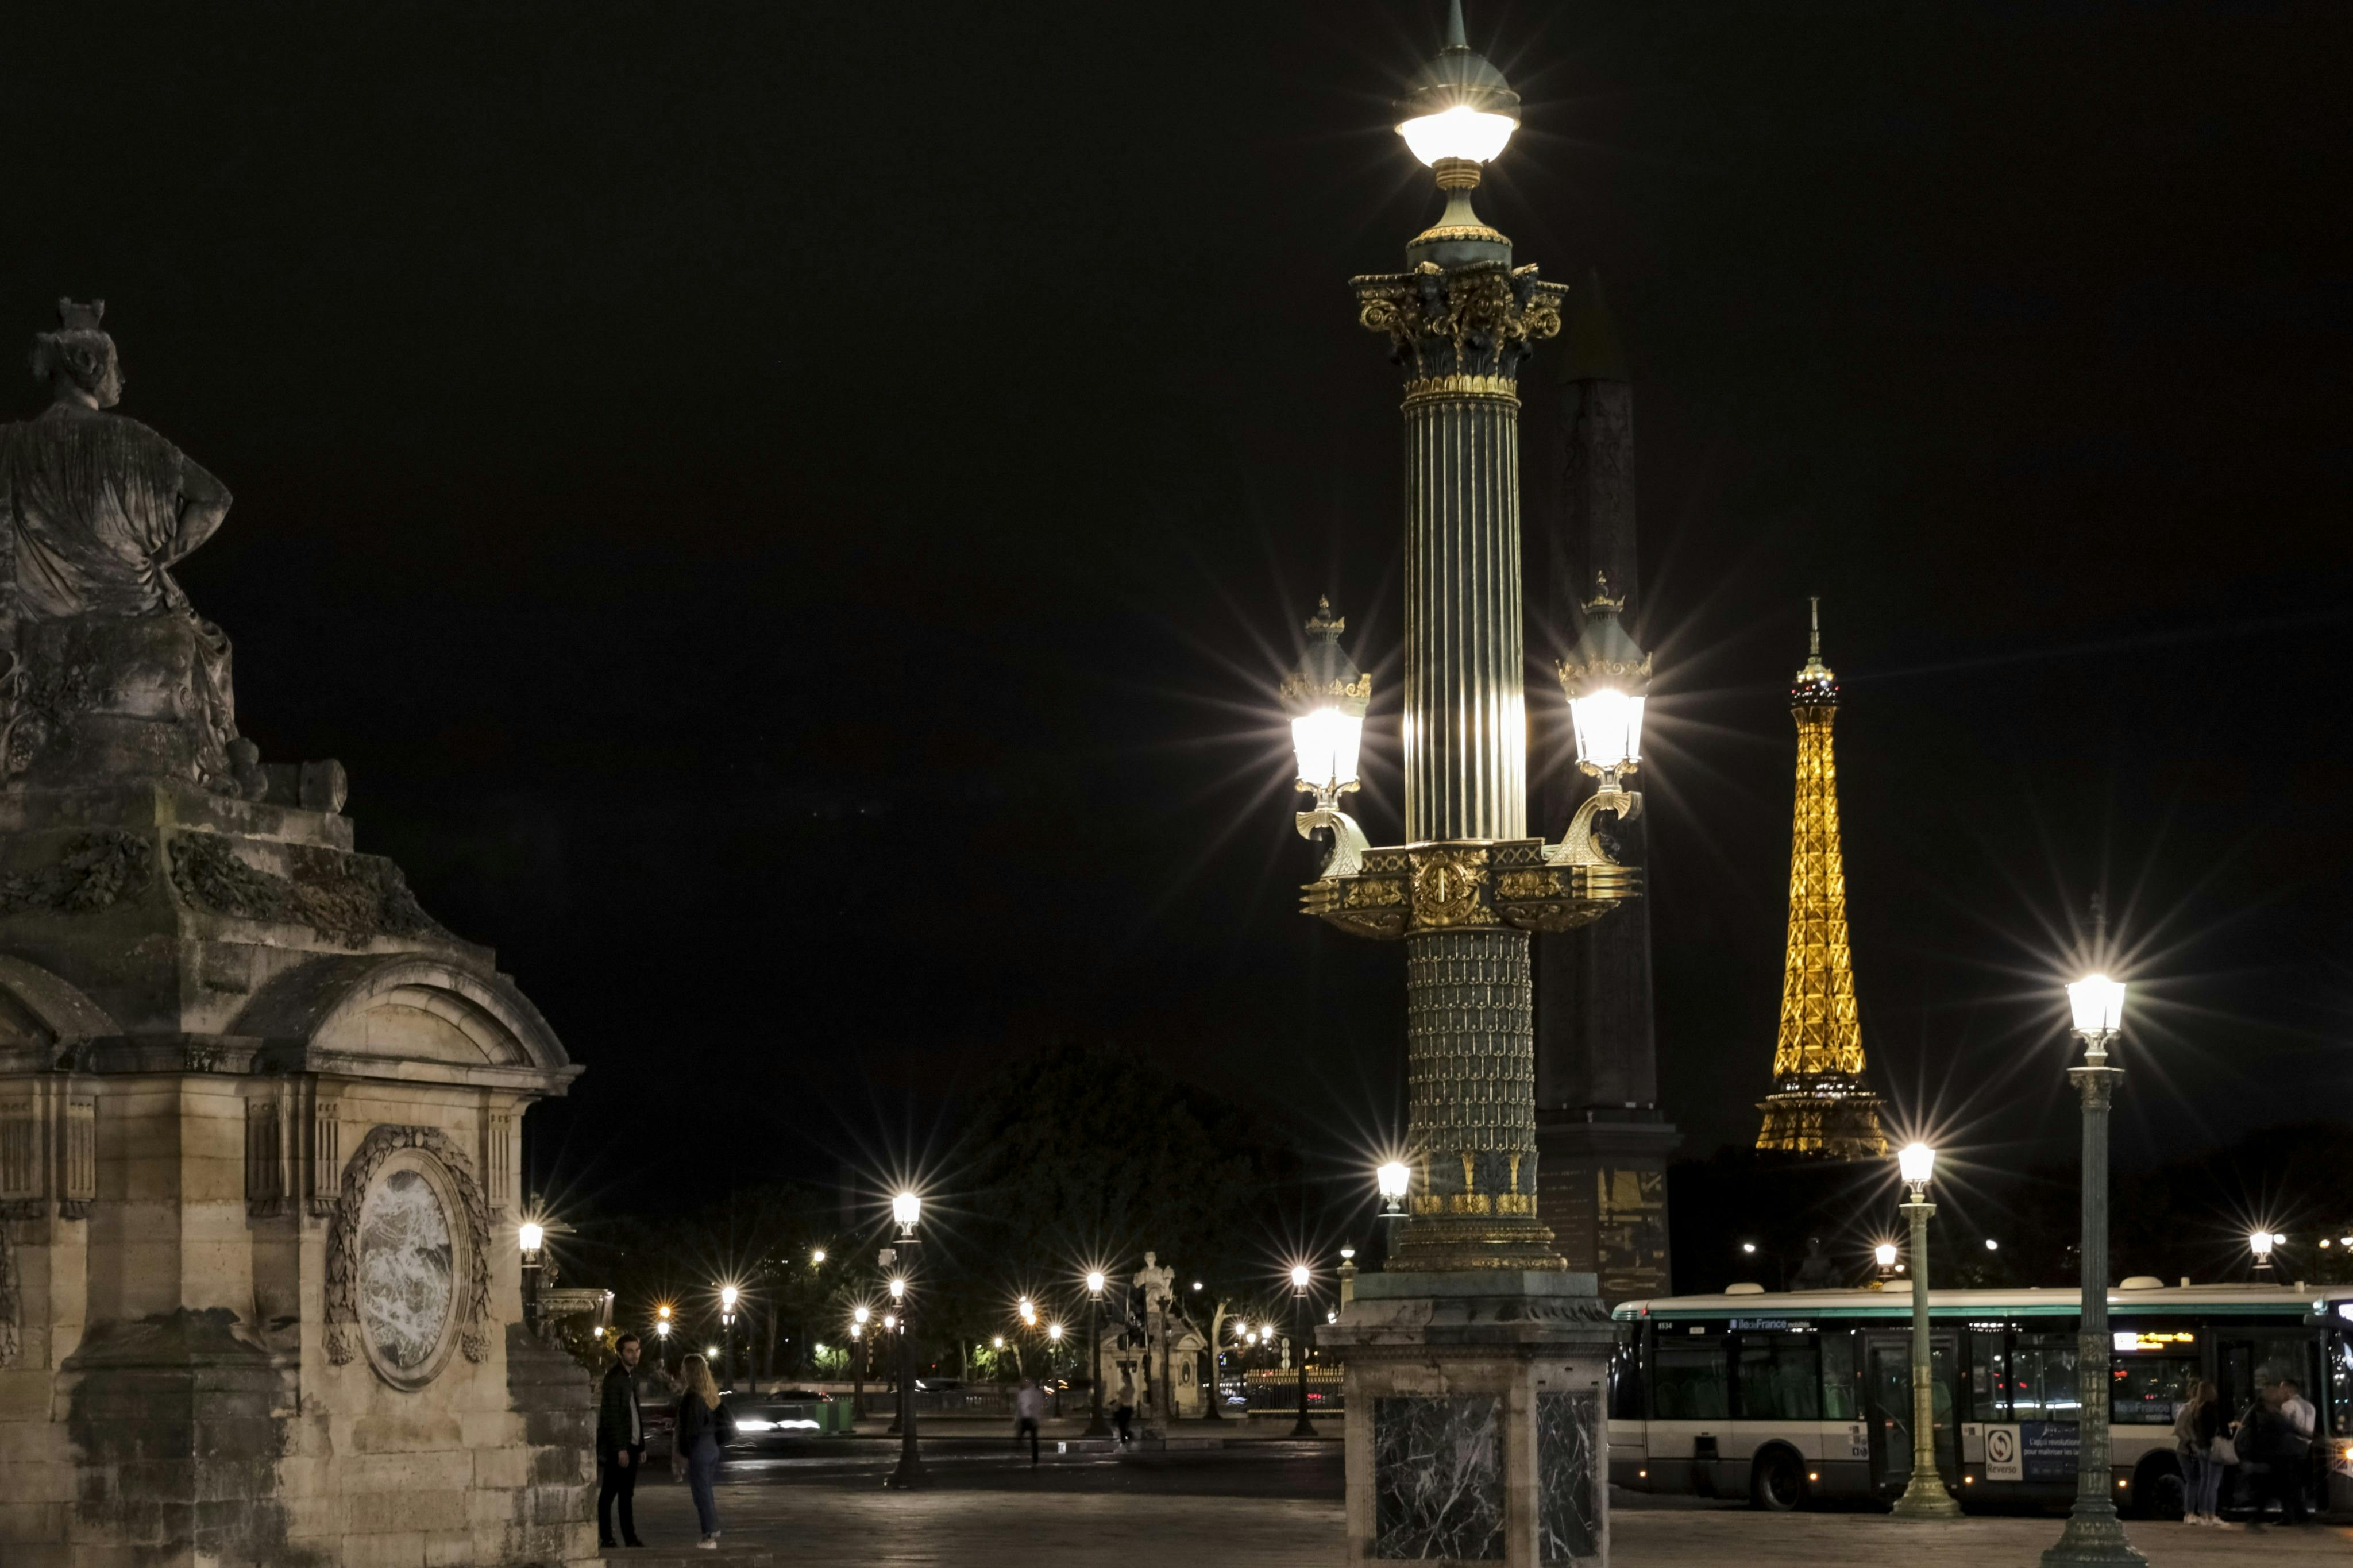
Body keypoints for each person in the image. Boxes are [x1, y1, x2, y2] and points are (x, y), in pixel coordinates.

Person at [673, 1354, 732, 1550]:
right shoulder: (710, 1394)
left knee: (701, 1494)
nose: (681, 1371)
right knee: (706, 1491)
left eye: (683, 1368)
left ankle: (709, 1536)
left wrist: (683, 1454)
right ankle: (711, 1531)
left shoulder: (691, 1396)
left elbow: (689, 1429)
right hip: (712, 1446)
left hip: (699, 1448)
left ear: (690, 1372)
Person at [595, 1334, 647, 1550]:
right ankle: (607, 1538)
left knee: (626, 1494)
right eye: (629, 1351)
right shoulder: (615, 1379)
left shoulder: (630, 1378)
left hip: (632, 1445)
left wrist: (641, 1445)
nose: (635, 1354)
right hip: (621, 1447)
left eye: (637, 1350)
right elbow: (612, 1417)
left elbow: (635, 1413)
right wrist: (620, 1448)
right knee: (609, 1494)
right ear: (619, 1353)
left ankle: (630, 1538)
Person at [2174, 1379, 2232, 1527]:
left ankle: (2201, 1513)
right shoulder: (2206, 1408)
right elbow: (2213, 1429)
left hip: (2200, 1449)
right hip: (2204, 1449)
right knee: (2209, 1483)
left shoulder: (2196, 1410)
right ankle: (2207, 1514)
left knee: (2203, 1482)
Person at [1014, 1377, 1048, 1466]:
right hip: (1032, 1418)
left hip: (1027, 1418)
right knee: (1034, 1440)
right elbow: (1040, 1405)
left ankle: (1018, 1447)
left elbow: (1020, 1407)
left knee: (1022, 1434)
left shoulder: (1023, 1393)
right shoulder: (1036, 1393)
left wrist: (1017, 1418)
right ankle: (1035, 1459)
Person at [1114, 1370, 1136, 1445]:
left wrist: (1121, 1394)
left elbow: (1126, 1397)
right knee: (1123, 1426)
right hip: (1123, 1408)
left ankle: (1125, 1440)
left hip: (1126, 1408)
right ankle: (1126, 1439)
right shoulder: (1125, 1387)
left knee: (1123, 1426)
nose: (1122, 1378)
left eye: (1123, 1377)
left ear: (1126, 1378)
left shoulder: (1130, 1387)